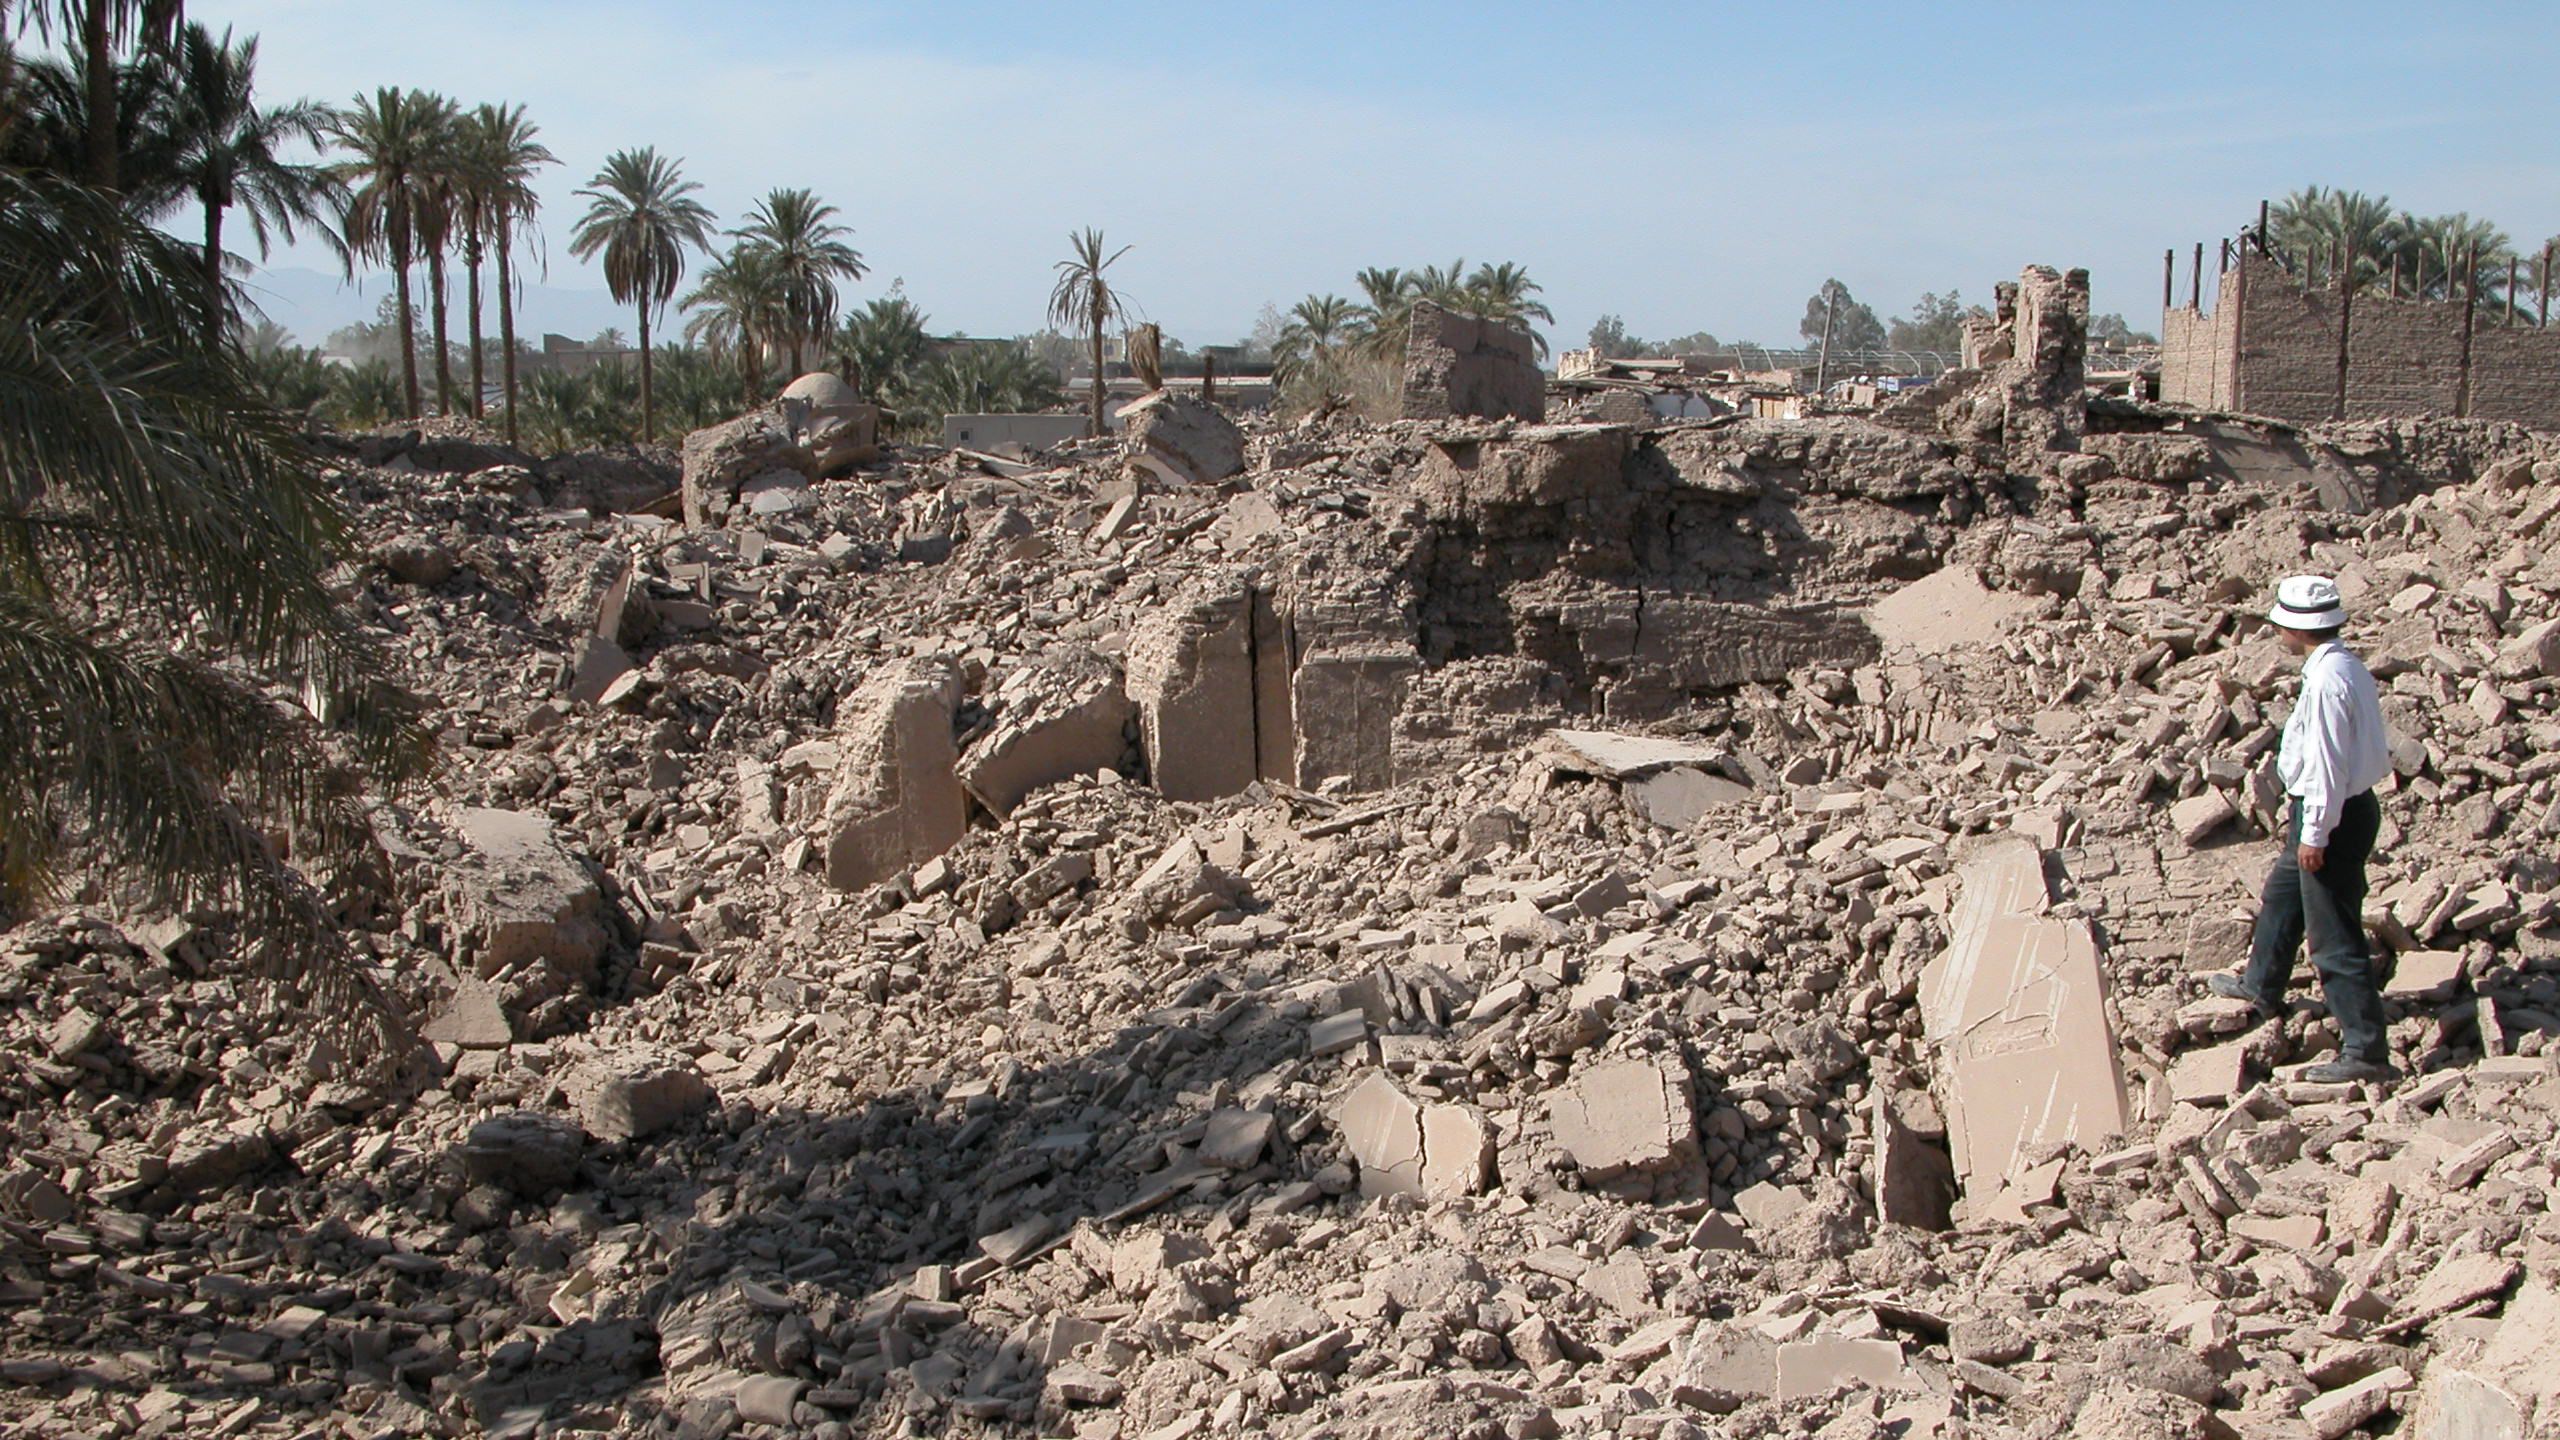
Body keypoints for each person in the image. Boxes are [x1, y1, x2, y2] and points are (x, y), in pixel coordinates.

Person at [2208, 576, 2397, 1083]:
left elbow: (2328, 766)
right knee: (2282, 895)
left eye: (2279, 623)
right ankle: (2261, 985)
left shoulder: (2328, 682)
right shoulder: (2343, 666)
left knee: (2333, 936)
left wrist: (2315, 833)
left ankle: (2366, 1051)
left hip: (2330, 815)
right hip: (2331, 810)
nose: (2275, 630)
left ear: (2295, 627)